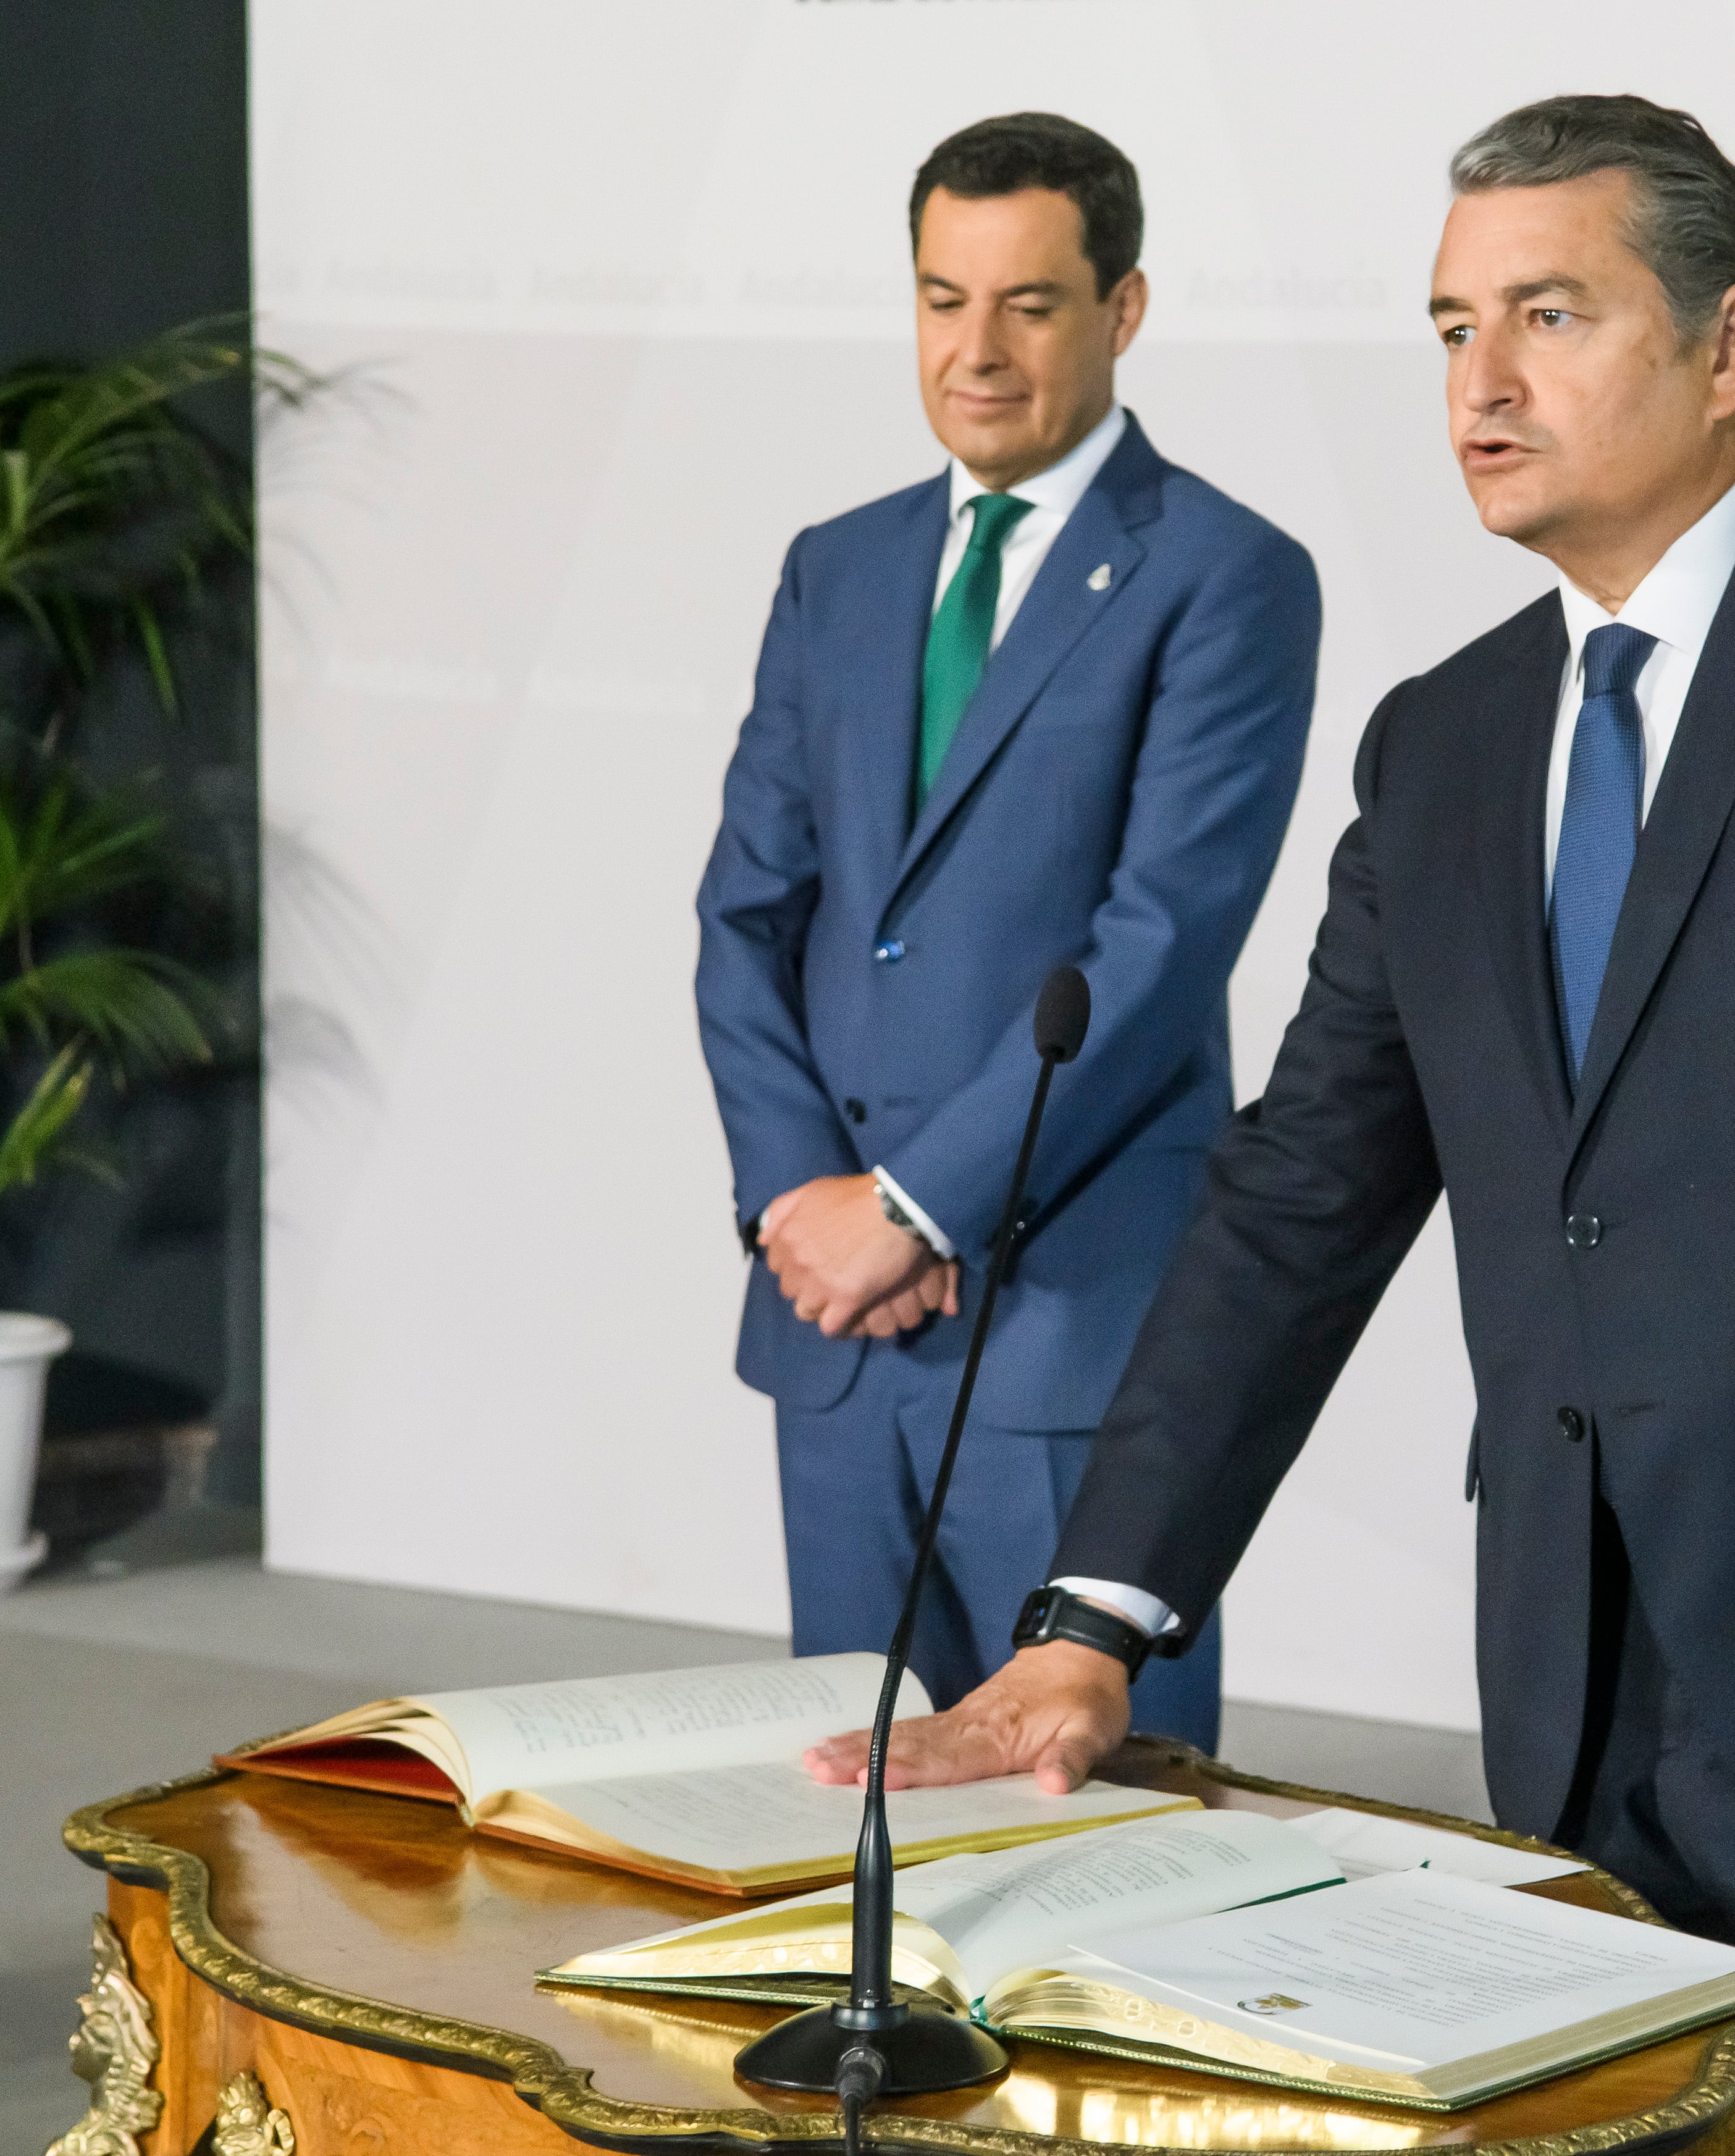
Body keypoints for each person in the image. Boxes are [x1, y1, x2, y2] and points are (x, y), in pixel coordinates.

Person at [805, 96, 1735, 2155]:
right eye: (1451, 325)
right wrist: (1094, 1612)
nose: (1481, 381)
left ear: (1730, 344)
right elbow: (1297, 1200)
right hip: (1577, 1718)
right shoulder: (1449, 739)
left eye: (1548, 316)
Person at [695, 112, 1321, 1753]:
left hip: (1070, 1339)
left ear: (1122, 310)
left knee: (1097, 1828)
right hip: (834, 1330)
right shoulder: (838, 568)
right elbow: (745, 915)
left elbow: (1161, 941)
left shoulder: (1228, 575)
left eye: (1028, 305)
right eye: (940, 299)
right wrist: (801, 1211)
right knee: (854, 1825)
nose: (974, 352)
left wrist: (915, 1206)